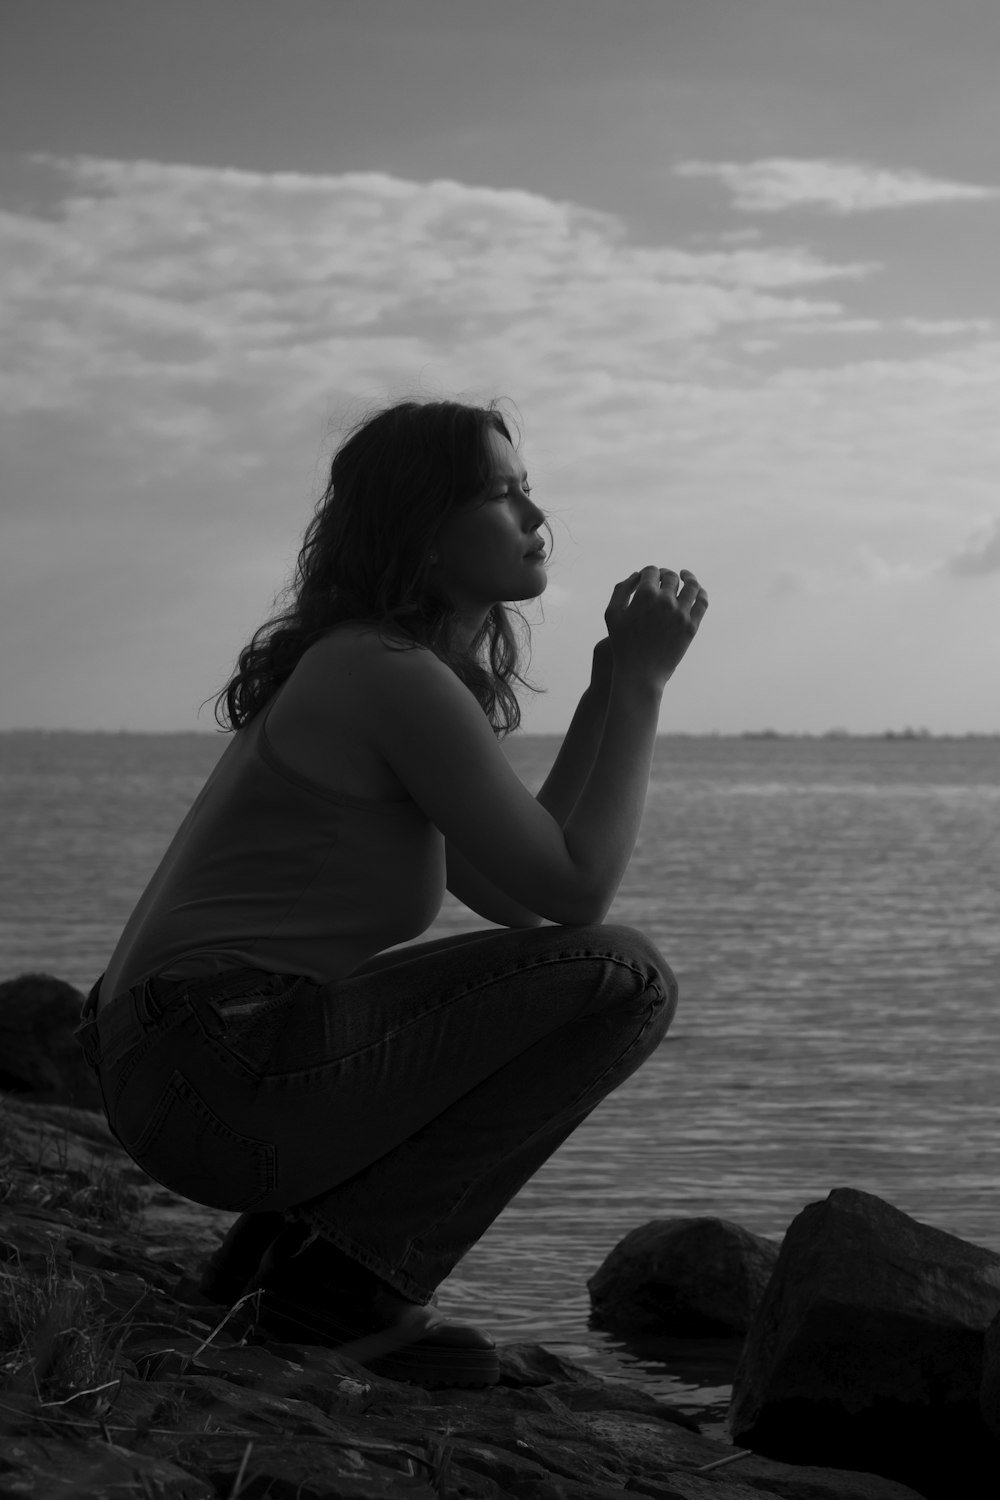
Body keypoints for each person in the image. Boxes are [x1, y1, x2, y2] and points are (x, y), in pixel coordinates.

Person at [76, 398, 708, 1389]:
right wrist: (642, 689)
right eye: (502, 495)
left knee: (555, 982)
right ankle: (344, 1291)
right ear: (422, 531)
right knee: (627, 977)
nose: (537, 514)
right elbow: (580, 894)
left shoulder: (374, 668)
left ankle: (273, 1268)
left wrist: (602, 689)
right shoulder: (387, 673)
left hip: (176, 1070)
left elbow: (512, 894)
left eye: (527, 489)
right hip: (214, 1072)